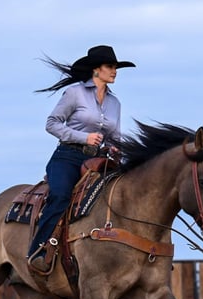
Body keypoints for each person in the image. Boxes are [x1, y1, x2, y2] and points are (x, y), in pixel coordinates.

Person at [27, 45, 136, 273]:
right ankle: (38, 249)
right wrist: (84, 137)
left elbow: (114, 137)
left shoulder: (115, 103)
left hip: (98, 161)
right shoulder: (75, 93)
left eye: (116, 67)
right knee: (60, 195)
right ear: (96, 70)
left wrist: (117, 150)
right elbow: (52, 123)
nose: (115, 71)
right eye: (110, 66)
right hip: (68, 156)